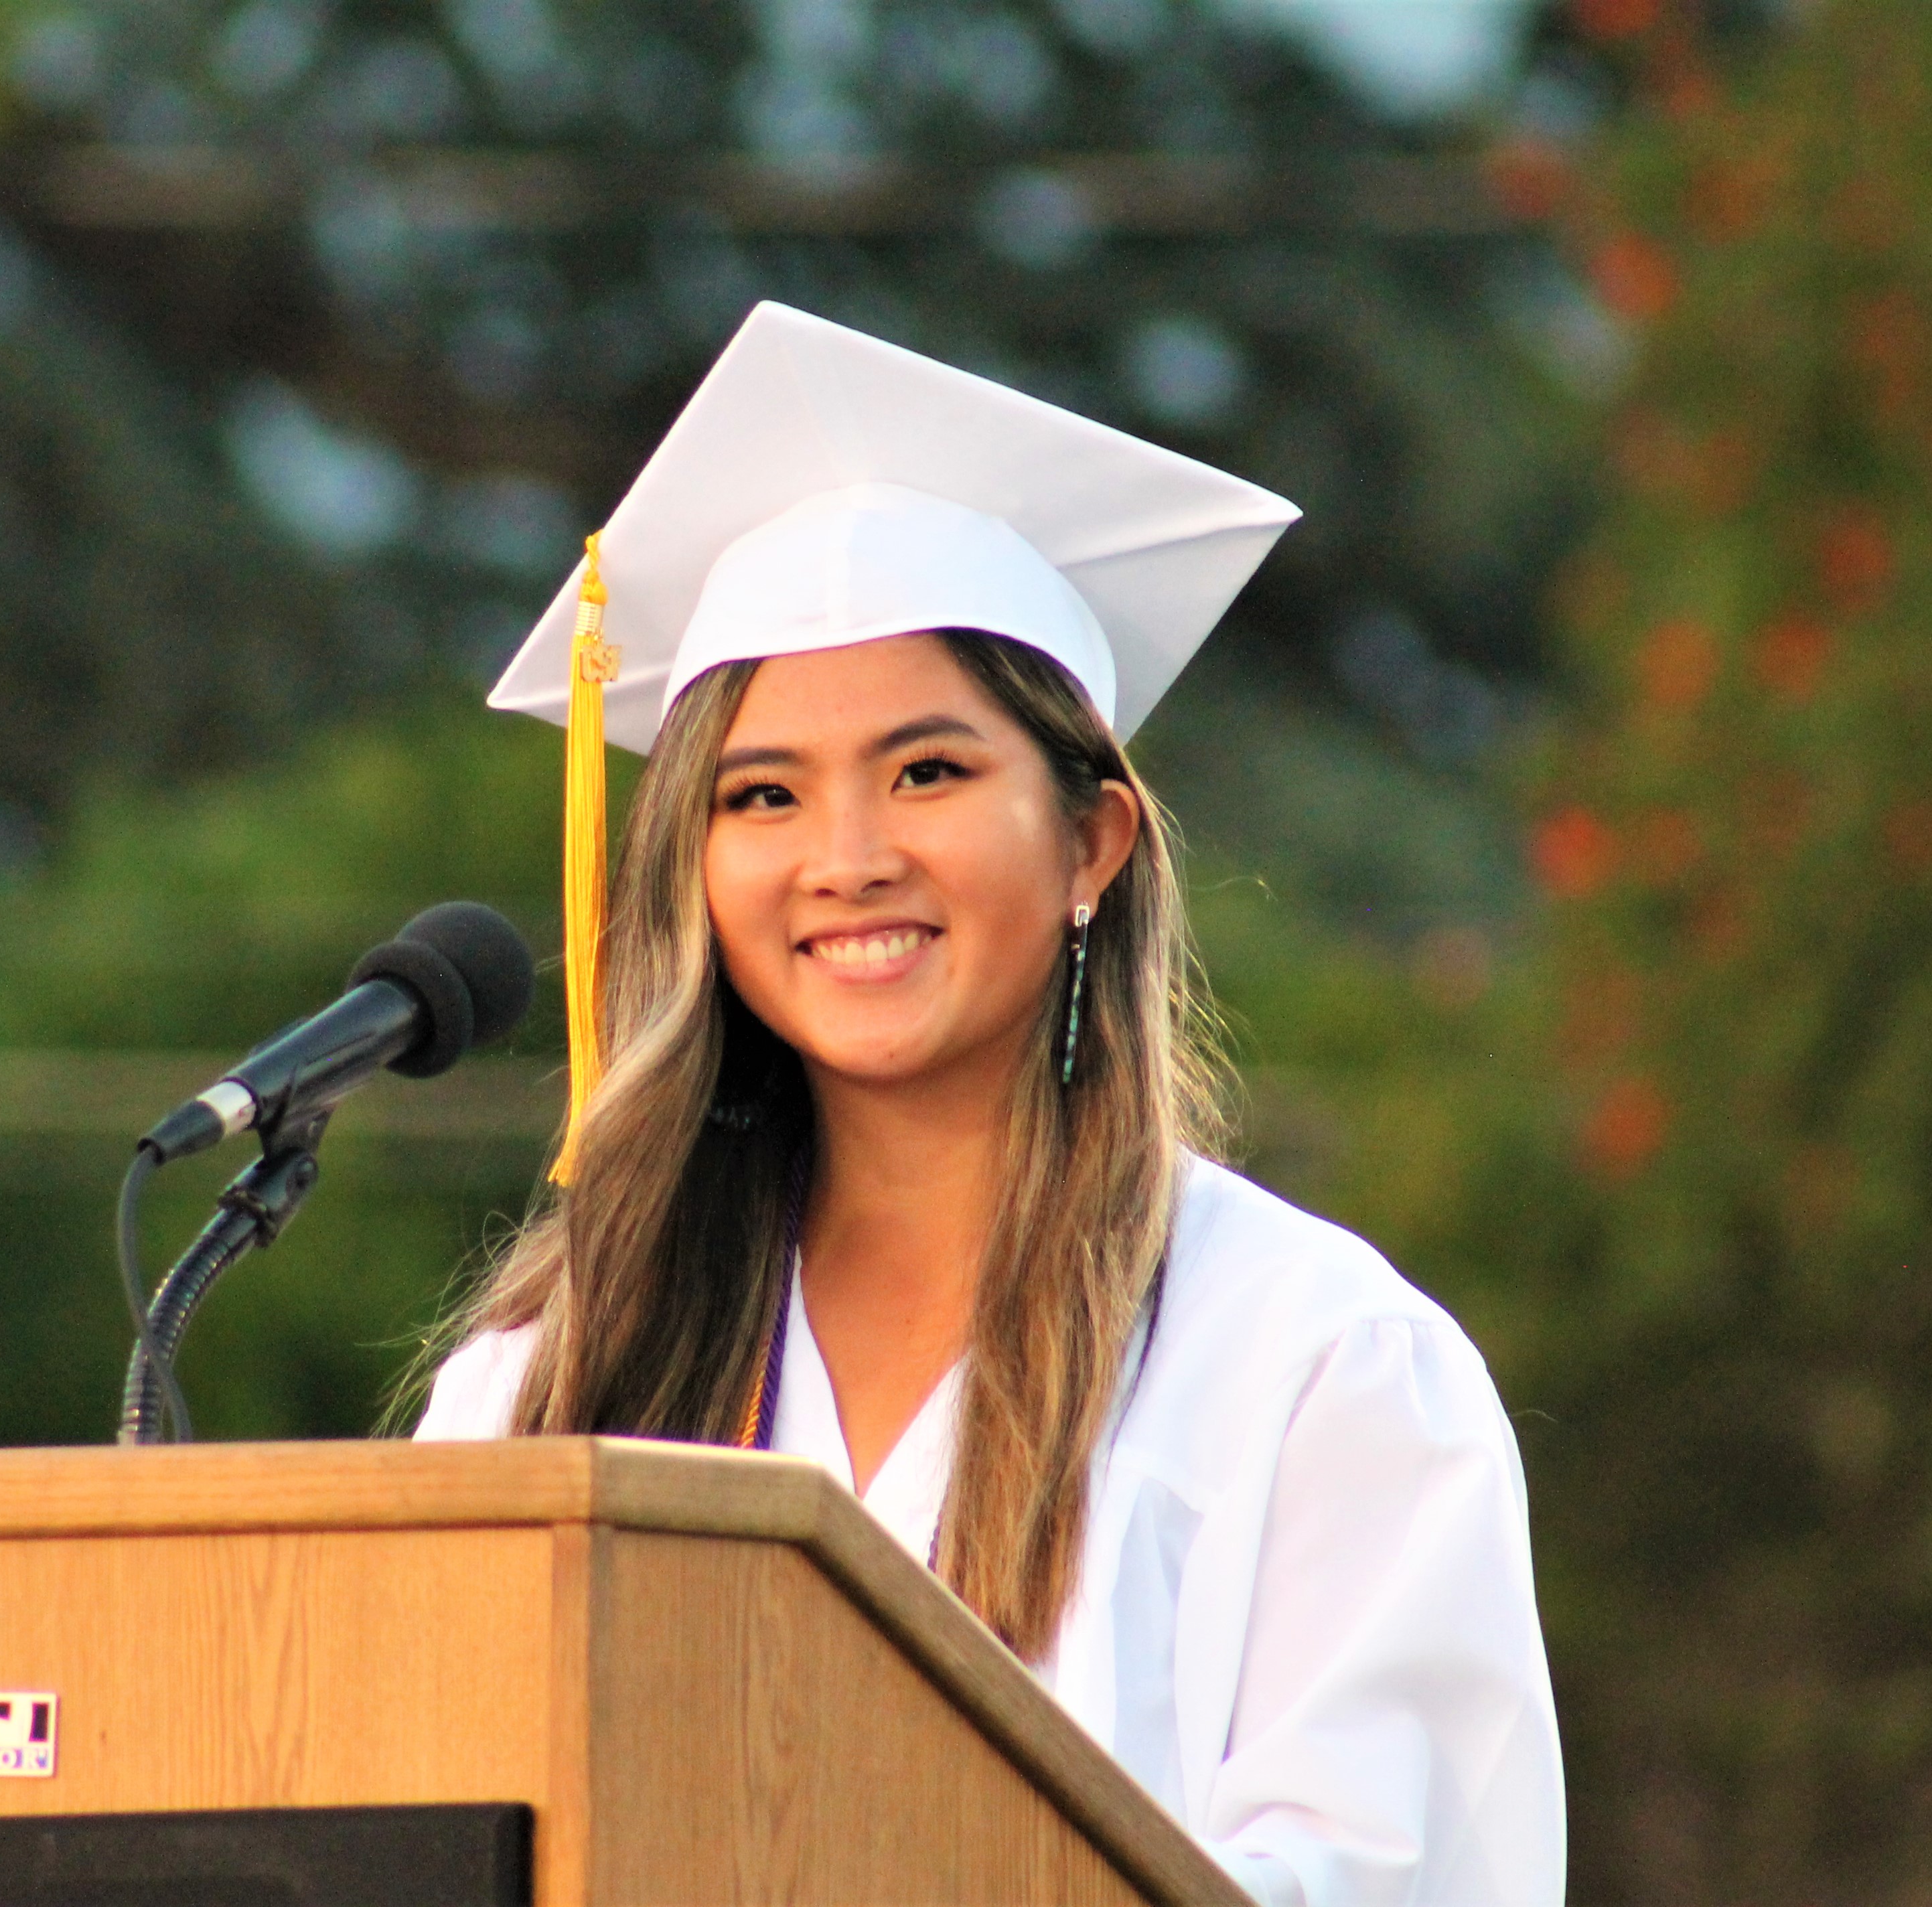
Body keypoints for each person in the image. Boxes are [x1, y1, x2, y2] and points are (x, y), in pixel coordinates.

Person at [415, 303, 1564, 1906]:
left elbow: (1396, 1875)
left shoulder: (1314, 1365)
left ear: (1093, 842)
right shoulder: (543, 1380)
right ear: (694, 863)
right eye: (763, 794)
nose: (848, 855)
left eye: (929, 770)